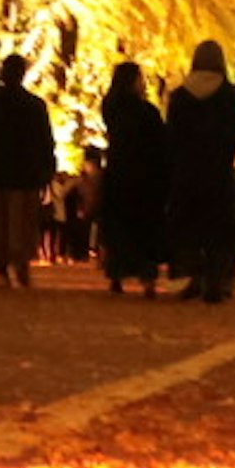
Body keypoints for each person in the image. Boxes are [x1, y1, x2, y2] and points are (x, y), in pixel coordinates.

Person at [163, 41, 235, 302]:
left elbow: (172, 136)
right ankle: (215, 281)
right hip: (219, 171)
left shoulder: (180, 96)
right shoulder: (229, 95)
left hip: (186, 170)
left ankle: (194, 278)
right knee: (218, 228)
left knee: (190, 226)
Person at [0, 52, 57, 288]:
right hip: (26, 174)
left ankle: (1, 269)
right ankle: (21, 264)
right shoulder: (34, 105)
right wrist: (46, 172)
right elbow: (45, 142)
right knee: (23, 224)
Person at [96, 59, 169, 295]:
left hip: (118, 173)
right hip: (145, 176)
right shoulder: (146, 112)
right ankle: (147, 277)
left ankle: (116, 274)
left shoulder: (111, 108)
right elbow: (160, 143)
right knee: (144, 229)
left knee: (118, 228)